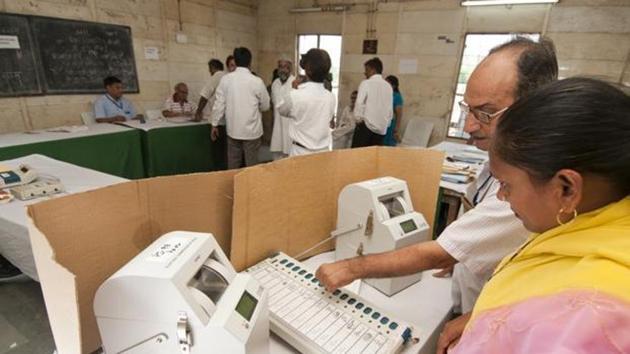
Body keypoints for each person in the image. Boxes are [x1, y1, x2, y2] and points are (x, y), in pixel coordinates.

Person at [315, 37, 558, 351]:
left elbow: (438, 252)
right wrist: (466, 252)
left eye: (485, 113)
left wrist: (349, 267)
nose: (469, 126)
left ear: (534, 110)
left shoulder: (535, 189)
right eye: (468, 110)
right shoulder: (506, 160)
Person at [452, 77, 630, 353]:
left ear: (567, 189)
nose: (501, 196)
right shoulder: (590, 231)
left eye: (506, 185)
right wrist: (480, 321)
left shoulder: (587, 322)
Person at [211, 47, 270, 169]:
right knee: (252, 167)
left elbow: (219, 104)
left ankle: (234, 187)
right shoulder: (257, 81)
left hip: (233, 131)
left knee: (233, 165)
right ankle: (250, 187)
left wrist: (214, 124)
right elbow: (266, 106)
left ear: (236, 61)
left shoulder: (226, 80)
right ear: (250, 62)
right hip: (252, 132)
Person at [277, 49, 335, 157]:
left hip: (300, 152)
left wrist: (293, 89)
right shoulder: (331, 97)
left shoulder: (295, 96)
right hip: (323, 152)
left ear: (307, 70)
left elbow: (281, 109)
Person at [351, 57, 393, 147]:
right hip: (381, 129)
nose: (365, 73)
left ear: (373, 70)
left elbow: (359, 103)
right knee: (373, 157)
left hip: (366, 126)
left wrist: (358, 120)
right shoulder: (388, 86)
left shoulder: (366, 83)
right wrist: (386, 123)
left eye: (366, 70)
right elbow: (390, 108)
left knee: (358, 157)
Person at [196, 59, 227, 170]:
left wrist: (198, 112)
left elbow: (204, 95)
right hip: (229, 122)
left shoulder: (216, 77)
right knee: (227, 153)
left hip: (218, 123)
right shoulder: (228, 76)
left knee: (217, 153)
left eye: (210, 69)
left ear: (213, 68)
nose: (210, 72)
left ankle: (217, 173)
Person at [269, 59, 296, 159]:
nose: (283, 70)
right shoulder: (275, 83)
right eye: (281, 67)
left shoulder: (295, 83)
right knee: (277, 161)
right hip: (277, 129)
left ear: (291, 69)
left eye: (286, 67)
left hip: (290, 131)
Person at [383, 75, 403, 146]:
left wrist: (396, 129)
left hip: (390, 125)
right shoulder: (385, 95)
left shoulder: (397, 96)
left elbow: (399, 114)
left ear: (393, 86)